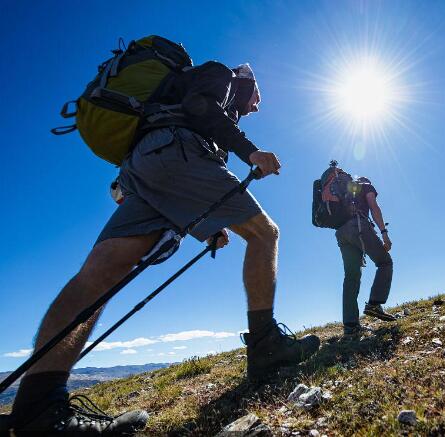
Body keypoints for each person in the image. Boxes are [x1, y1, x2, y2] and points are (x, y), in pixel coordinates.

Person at [3, 61, 320, 435]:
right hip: (177, 151)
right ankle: (266, 346)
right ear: (246, 82)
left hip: (144, 165)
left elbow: (187, 148)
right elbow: (200, 106)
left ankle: (37, 410)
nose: (258, 106)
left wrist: (209, 228)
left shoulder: (179, 97)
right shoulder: (222, 75)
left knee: (99, 274)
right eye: (259, 96)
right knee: (265, 233)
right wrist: (250, 152)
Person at [324, 166, 395, 339]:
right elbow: (374, 207)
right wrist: (384, 234)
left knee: (351, 277)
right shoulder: (366, 186)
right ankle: (374, 304)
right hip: (358, 226)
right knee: (385, 262)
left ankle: (350, 326)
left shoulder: (345, 190)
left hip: (341, 233)